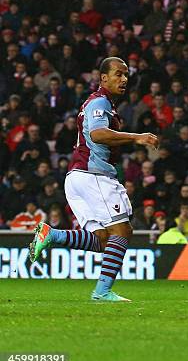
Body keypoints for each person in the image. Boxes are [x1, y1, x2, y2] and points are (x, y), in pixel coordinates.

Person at [29, 57, 159, 302]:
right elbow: (98, 134)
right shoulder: (99, 102)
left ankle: (52, 235)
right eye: (118, 74)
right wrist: (136, 137)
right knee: (122, 229)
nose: (124, 79)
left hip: (77, 177)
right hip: (94, 175)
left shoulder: (102, 104)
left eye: (126, 75)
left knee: (102, 240)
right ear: (103, 78)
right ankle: (102, 292)